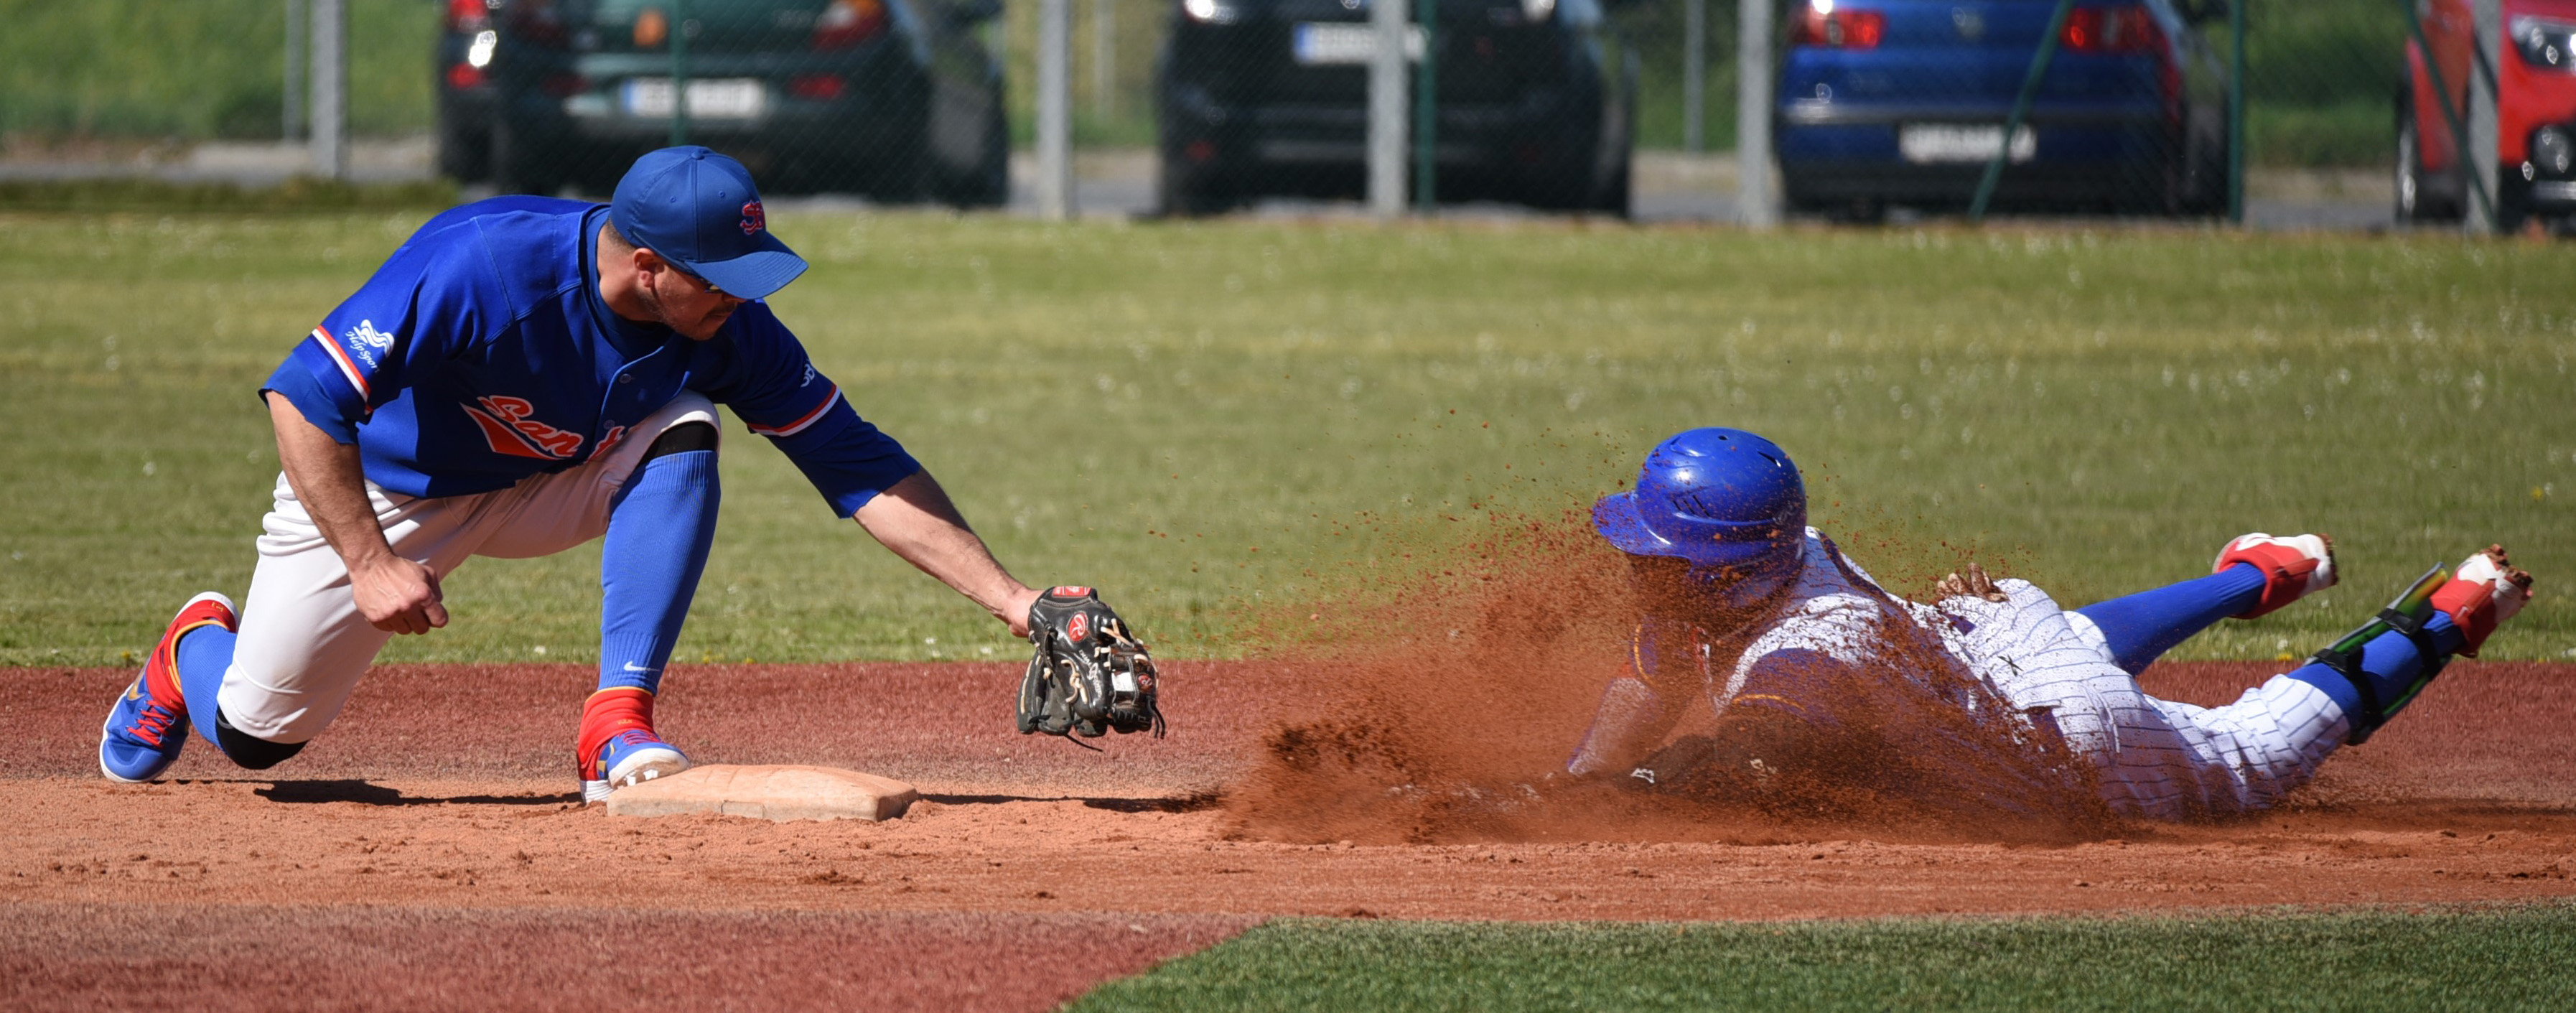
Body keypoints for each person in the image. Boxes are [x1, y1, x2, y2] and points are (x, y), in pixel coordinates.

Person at [101, 147, 1084, 801]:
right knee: (258, 739)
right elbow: (303, 399)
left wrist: (1013, 599)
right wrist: (364, 561)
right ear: (649, 266)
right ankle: (192, 645)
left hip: (556, 475)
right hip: (387, 497)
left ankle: (615, 725)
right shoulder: (483, 265)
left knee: (685, 424)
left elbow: (854, 461)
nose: (742, 302)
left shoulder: (724, 328)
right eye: (723, 280)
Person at [1567, 428, 2535, 821]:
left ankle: (2452, 614)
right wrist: (1573, 784)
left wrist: (1619, 797)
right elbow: (1650, 681)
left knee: (2250, 755)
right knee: (2061, 629)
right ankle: (2258, 574)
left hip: (2067, 731)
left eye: (1660, 553)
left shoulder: (1809, 651)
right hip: (1985, 632)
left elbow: (1750, 760)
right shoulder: (1764, 557)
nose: (1638, 563)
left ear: (1727, 571)